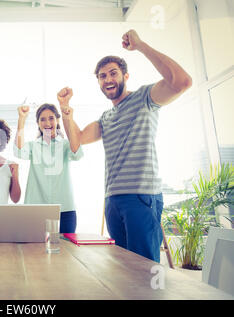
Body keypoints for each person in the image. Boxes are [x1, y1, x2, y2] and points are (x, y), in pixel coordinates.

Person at [57, 29, 192, 262]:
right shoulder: (106, 117)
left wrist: (140, 46)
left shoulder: (144, 98)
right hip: (113, 200)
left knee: (143, 266)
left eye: (113, 73)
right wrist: (64, 108)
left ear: (125, 76)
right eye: (102, 76)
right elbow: (76, 141)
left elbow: (182, 82)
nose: (108, 79)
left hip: (141, 196)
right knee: (123, 270)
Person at [14, 103, 83, 233]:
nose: (47, 123)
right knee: (33, 251)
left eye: (51, 118)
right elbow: (18, 151)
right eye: (42, 119)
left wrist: (68, 119)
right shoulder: (33, 146)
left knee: (65, 251)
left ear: (57, 120)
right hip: (35, 209)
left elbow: (77, 154)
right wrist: (21, 118)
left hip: (65, 209)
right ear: (38, 123)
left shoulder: (66, 145)